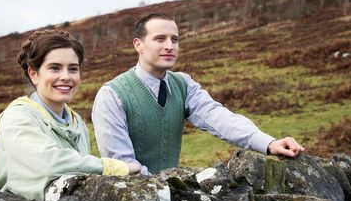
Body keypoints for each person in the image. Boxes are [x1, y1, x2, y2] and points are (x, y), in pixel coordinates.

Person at [92, 13, 305, 175]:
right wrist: (164, 191)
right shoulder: (112, 95)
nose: (169, 46)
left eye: (174, 39)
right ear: (138, 44)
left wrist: (268, 143)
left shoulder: (183, 84)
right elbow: (122, 164)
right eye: (160, 39)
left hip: (170, 195)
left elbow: (217, 117)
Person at [0, 29, 140, 201]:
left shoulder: (77, 122)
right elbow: (49, 163)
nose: (66, 77)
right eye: (54, 68)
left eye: (73, 69)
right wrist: (114, 168)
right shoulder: (16, 118)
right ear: (34, 74)